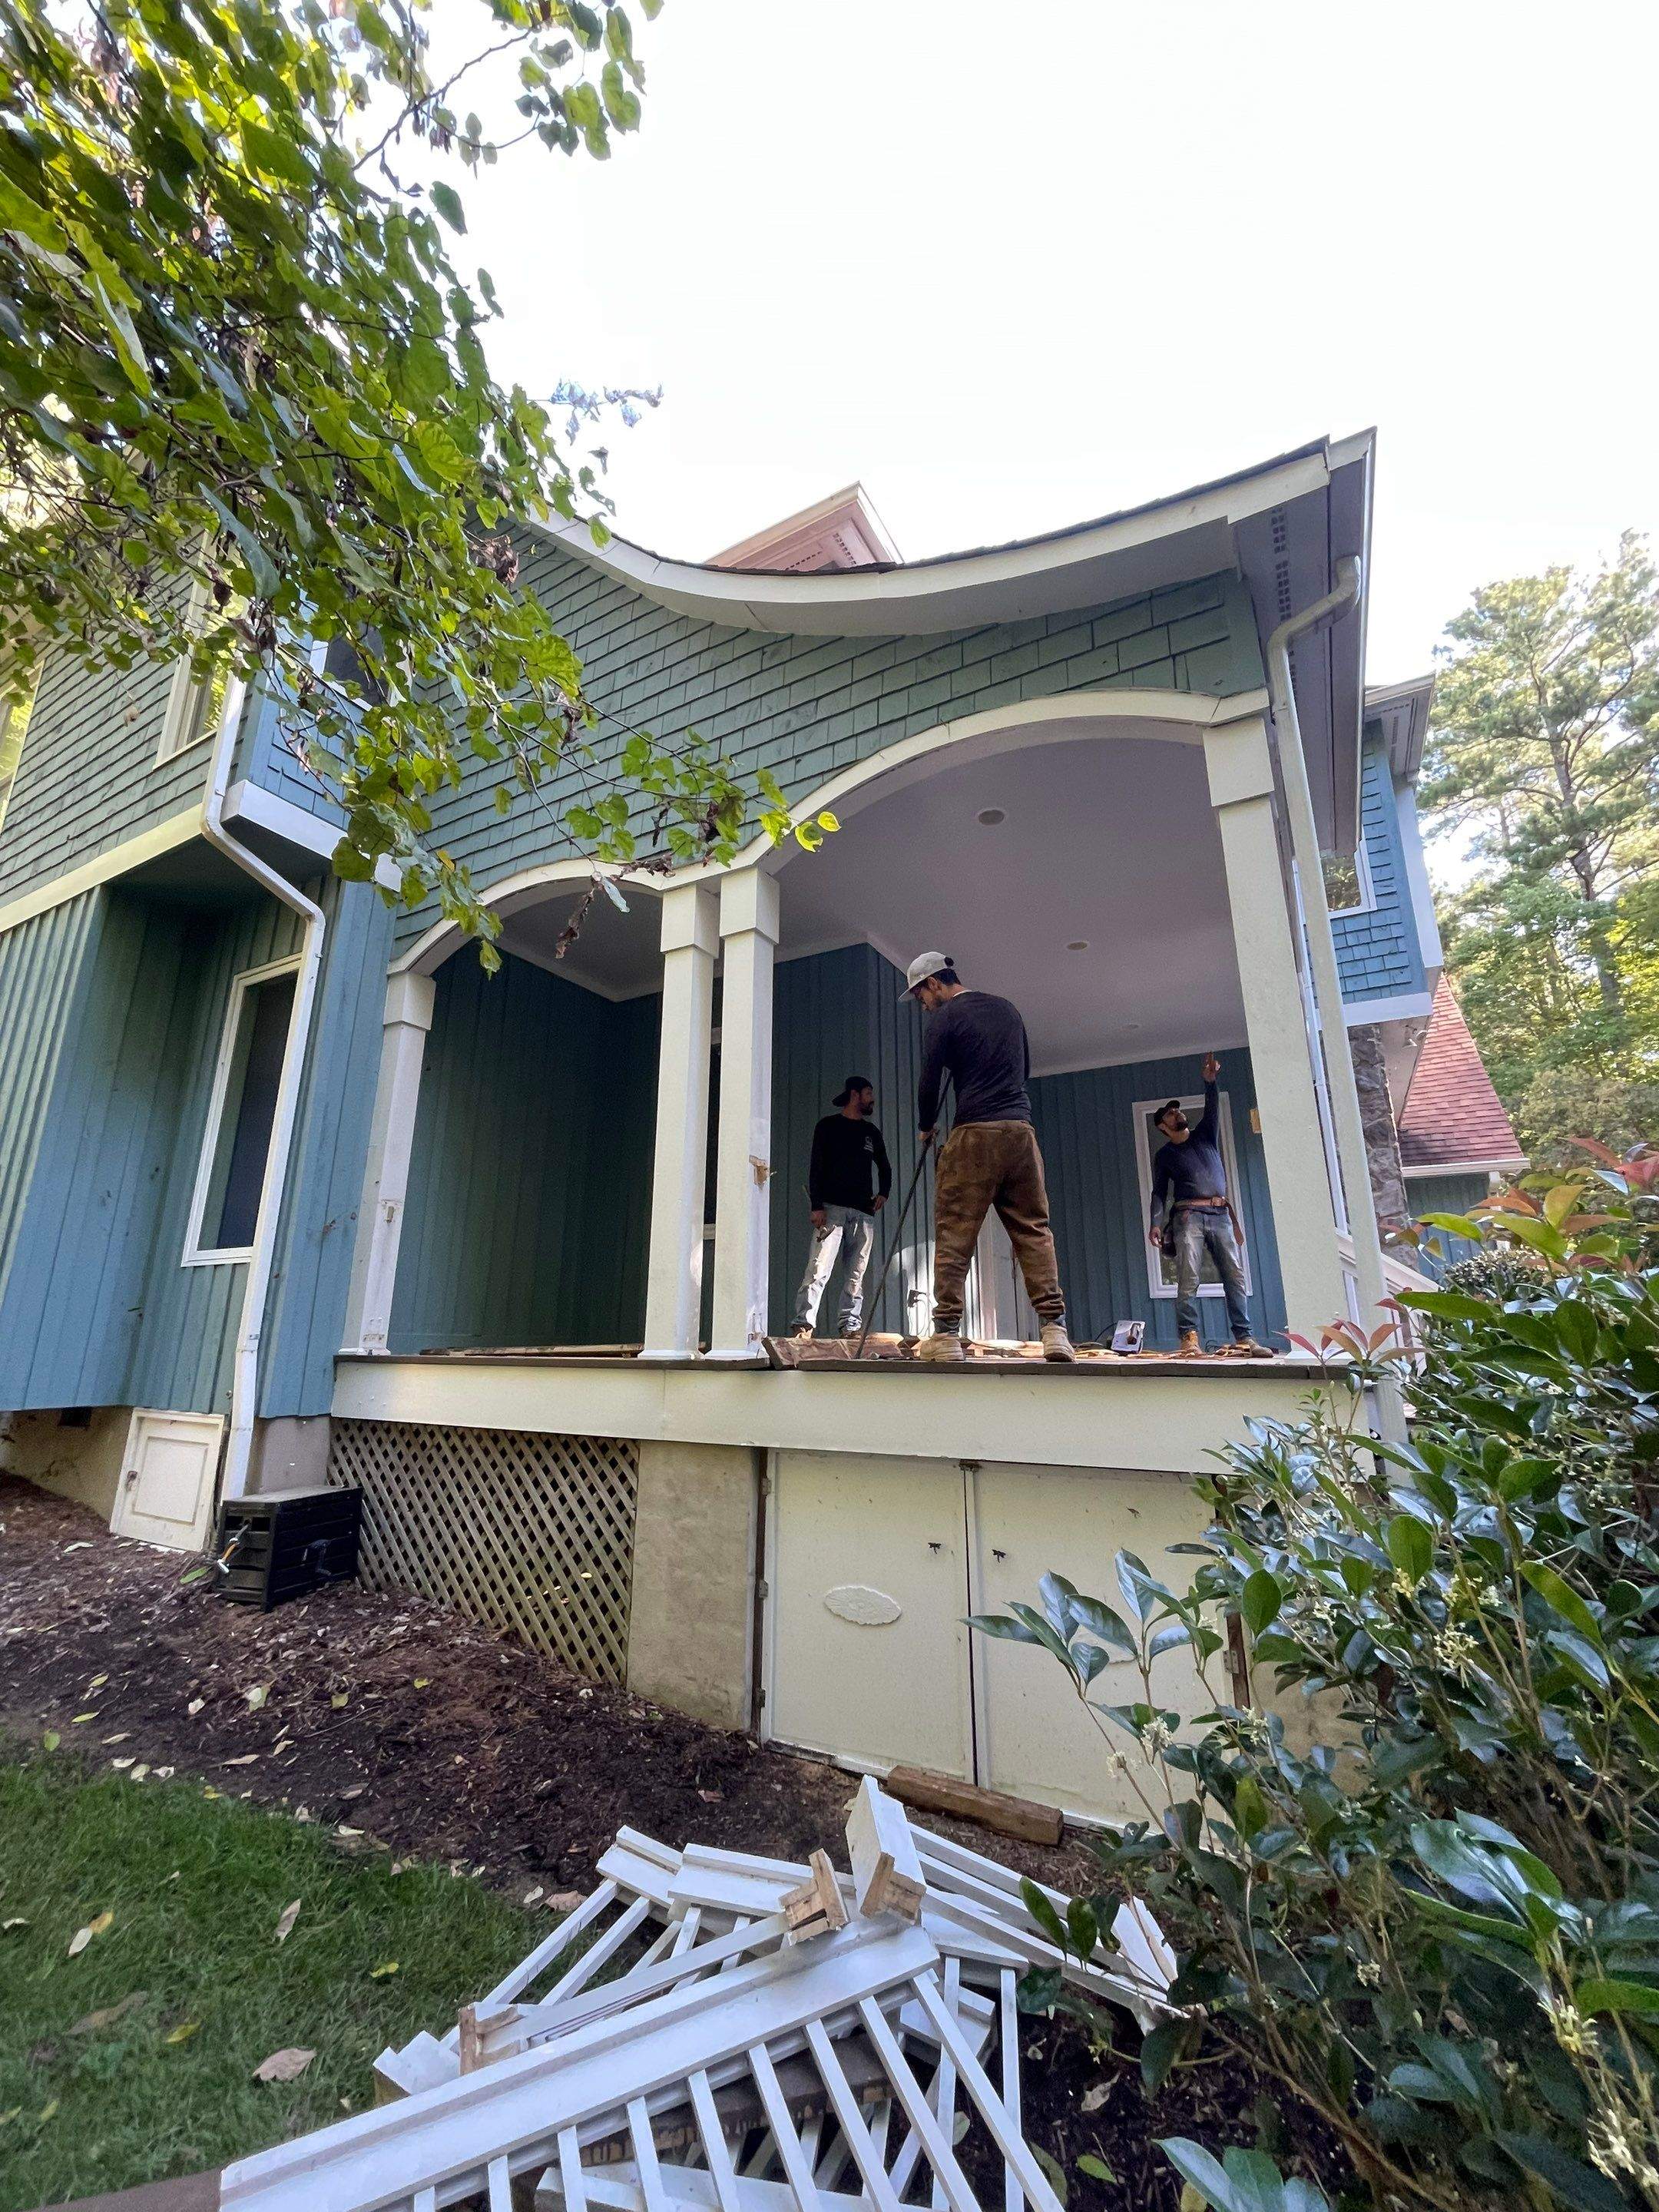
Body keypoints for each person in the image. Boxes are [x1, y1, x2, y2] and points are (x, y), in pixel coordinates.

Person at [901, 951, 1075, 1364]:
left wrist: (926, 1126)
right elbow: (1025, 1069)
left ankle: (944, 1334)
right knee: (1034, 1230)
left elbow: (929, 1080)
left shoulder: (944, 1019)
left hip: (975, 1135)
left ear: (934, 984)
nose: (923, 1006)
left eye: (921, 996)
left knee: (955, 1232)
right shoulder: (1008, 1009)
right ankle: (1054, 1331)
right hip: (1020, 1133)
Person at [1147, 1055, 1270, 1356]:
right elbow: (1160, 1192)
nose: (1177, 1114)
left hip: (1220, 1215)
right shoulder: (1164, 1156)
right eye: (1171, 1114)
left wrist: (1210, 1081)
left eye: (1177, 1110)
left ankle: (1245, 1338)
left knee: (1235, 1275)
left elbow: (1213, 1106)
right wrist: (1154, 1222)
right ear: (1163, 1127)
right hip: (1188, 1217)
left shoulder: (1205, 1136)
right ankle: (1189, 1340)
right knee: (1188, 1277)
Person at [788, 1075, 892, 1340]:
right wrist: (817, 1206)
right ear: (855, 1095)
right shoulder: (828, 1126)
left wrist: (884, 1193)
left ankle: (850, 1327)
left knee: (856, 1274)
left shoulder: (871, 1132)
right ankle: (803, 1325)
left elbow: (885, 1166)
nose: (872, 1099)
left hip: (863, 1214)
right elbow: (816, 1167)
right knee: (818, 1269)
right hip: (831, 1210)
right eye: (869, 1093)